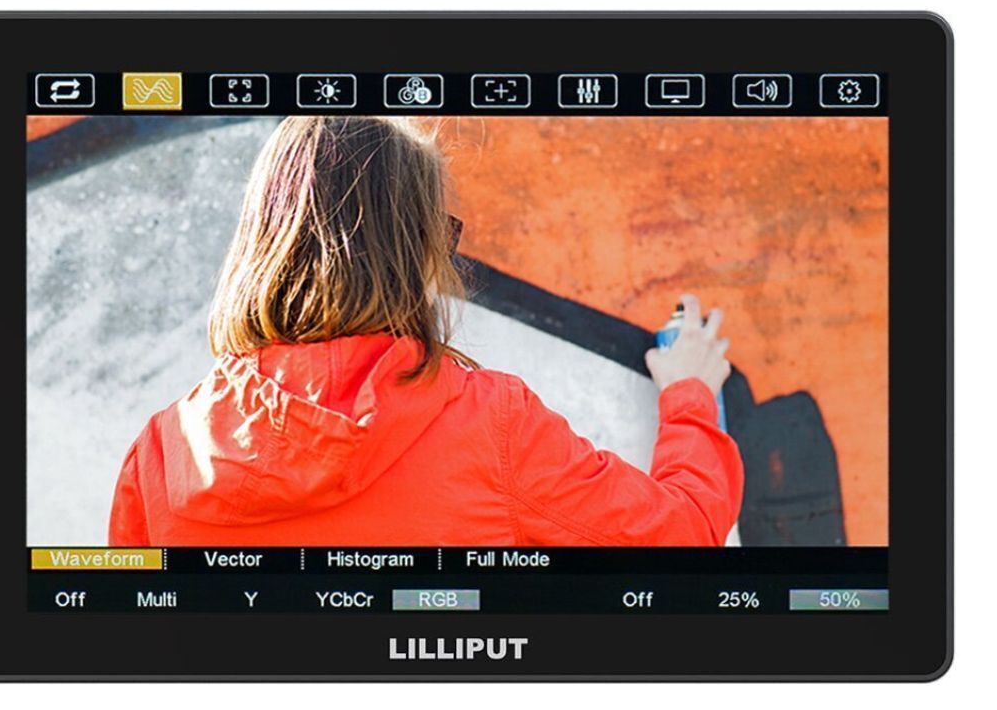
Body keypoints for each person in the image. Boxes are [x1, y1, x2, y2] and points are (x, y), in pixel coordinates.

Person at [109, 116, 743, 547]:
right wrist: (689, 394)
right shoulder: (491, 424)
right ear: (413, 254)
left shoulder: (163, 452)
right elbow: (681, 535)